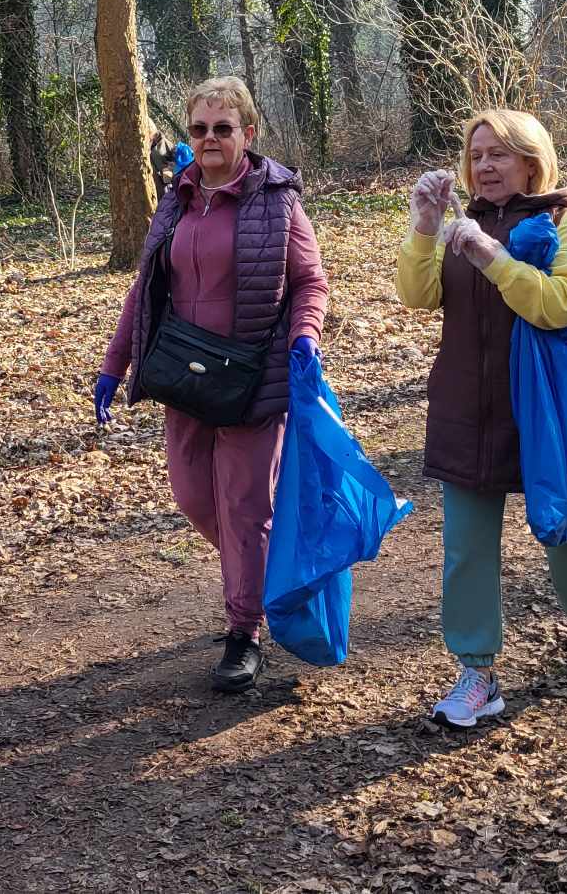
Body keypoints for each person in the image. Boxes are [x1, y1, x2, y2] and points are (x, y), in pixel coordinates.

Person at [93, 76, 329, 694]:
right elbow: (144, 290)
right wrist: (114, 366)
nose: (210, 139)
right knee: (198, 499)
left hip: (255, 377)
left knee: (246, 508)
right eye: (199, 129)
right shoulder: (176, 199)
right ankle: (263, 576)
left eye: (223, 128)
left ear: (248, 134)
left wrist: (305, 336)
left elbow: (310, 282)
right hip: (185, 377)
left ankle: (244, 631)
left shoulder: (278, 201)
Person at [396, 108, 567, 730]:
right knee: (467, 549)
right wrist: (425, 226)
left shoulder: (566, 220)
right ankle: (477, 671)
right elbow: (419, 296)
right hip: (466, 405)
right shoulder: (462, 223)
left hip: (546, 408)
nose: (486, 165)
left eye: (499, 153)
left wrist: (495, 257)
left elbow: (566, 303)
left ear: (531, 159)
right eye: (477, 155)